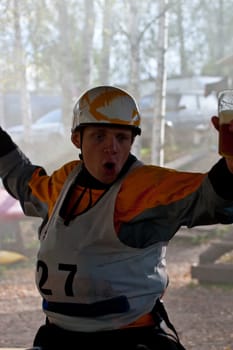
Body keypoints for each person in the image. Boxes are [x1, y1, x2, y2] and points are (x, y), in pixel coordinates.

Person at [1, 85, 233, 350]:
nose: (111, 148)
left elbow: (212, 200)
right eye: (99, 136)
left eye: (122, 138)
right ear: (77, 139)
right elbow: (24, 182)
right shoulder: (65, 181)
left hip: (129, 340)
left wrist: (230, 169)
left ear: (132, 142)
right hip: (58, 338)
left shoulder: (145, 187)